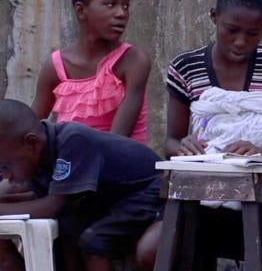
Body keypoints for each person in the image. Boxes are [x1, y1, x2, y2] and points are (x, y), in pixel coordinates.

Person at [149, 0, 262, 271]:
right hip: (207, 192)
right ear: (214, 17)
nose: (241, 42)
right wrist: (184, 145)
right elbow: (170, 143)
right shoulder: (185, 68)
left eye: (253, 33)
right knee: (151, 252)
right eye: (232, 30)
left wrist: (260, 152)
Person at [0, 99, 163, 271]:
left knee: (94, 240)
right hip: (111, 200)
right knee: (67, 230)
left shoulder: (73, 140)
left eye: (5, 166)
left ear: (32, 144)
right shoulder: (36, 158)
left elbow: (53, 206)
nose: (5, 175)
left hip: (148, 192)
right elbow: (39, 198)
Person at [31, 0, 150, 143]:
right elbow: (30, 129)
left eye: (126, 5)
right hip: (69, 164)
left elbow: (117, 143)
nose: (121, 13)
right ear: (81, 10)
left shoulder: (133, 61)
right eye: (111, 4)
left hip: (121, 165)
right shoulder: (56, 66)